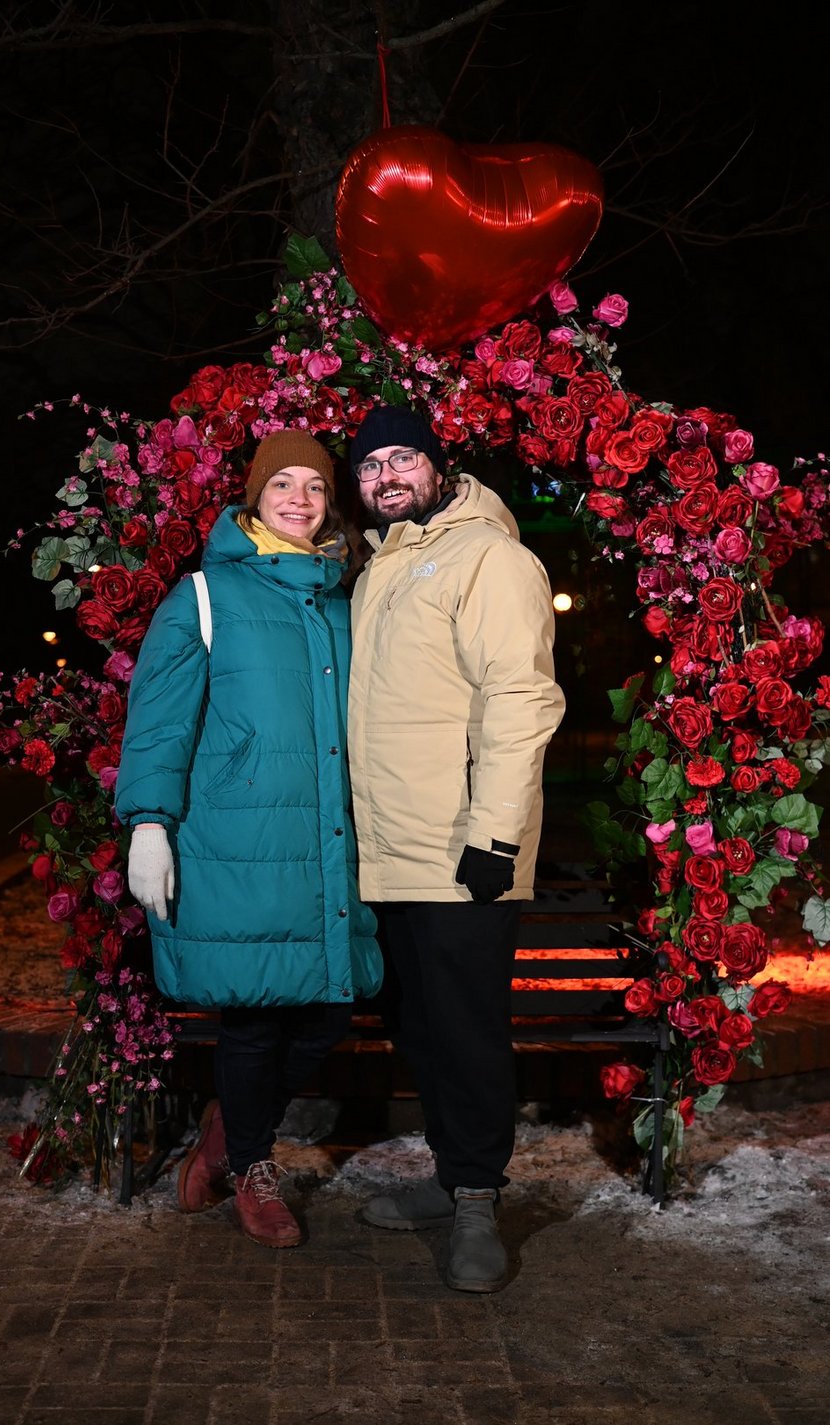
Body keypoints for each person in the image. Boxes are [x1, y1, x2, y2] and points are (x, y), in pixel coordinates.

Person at [115, 429, 382, 1249]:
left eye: (312, 486)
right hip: (239, 842)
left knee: (331, 1005)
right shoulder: (204, 595)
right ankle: (253, 1168)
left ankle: (227, 1128)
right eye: (282, 485)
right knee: (257, 1015)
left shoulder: (347, 596)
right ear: (253, 498)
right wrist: (149, 824)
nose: (298, 498)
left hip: (330, 840)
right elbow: (160, 722)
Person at [345, 404, 565, 1293]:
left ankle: (478, 1198)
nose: (388, 475)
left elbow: (522, 698)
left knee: (468, 1031)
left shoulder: (491, 558)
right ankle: (448, 1178)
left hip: (461, 849)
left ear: (439, 467)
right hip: (391, 847)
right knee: (422, 1028)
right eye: (370, 466)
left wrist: (495, 835)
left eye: (405, 458)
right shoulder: (380, 569)